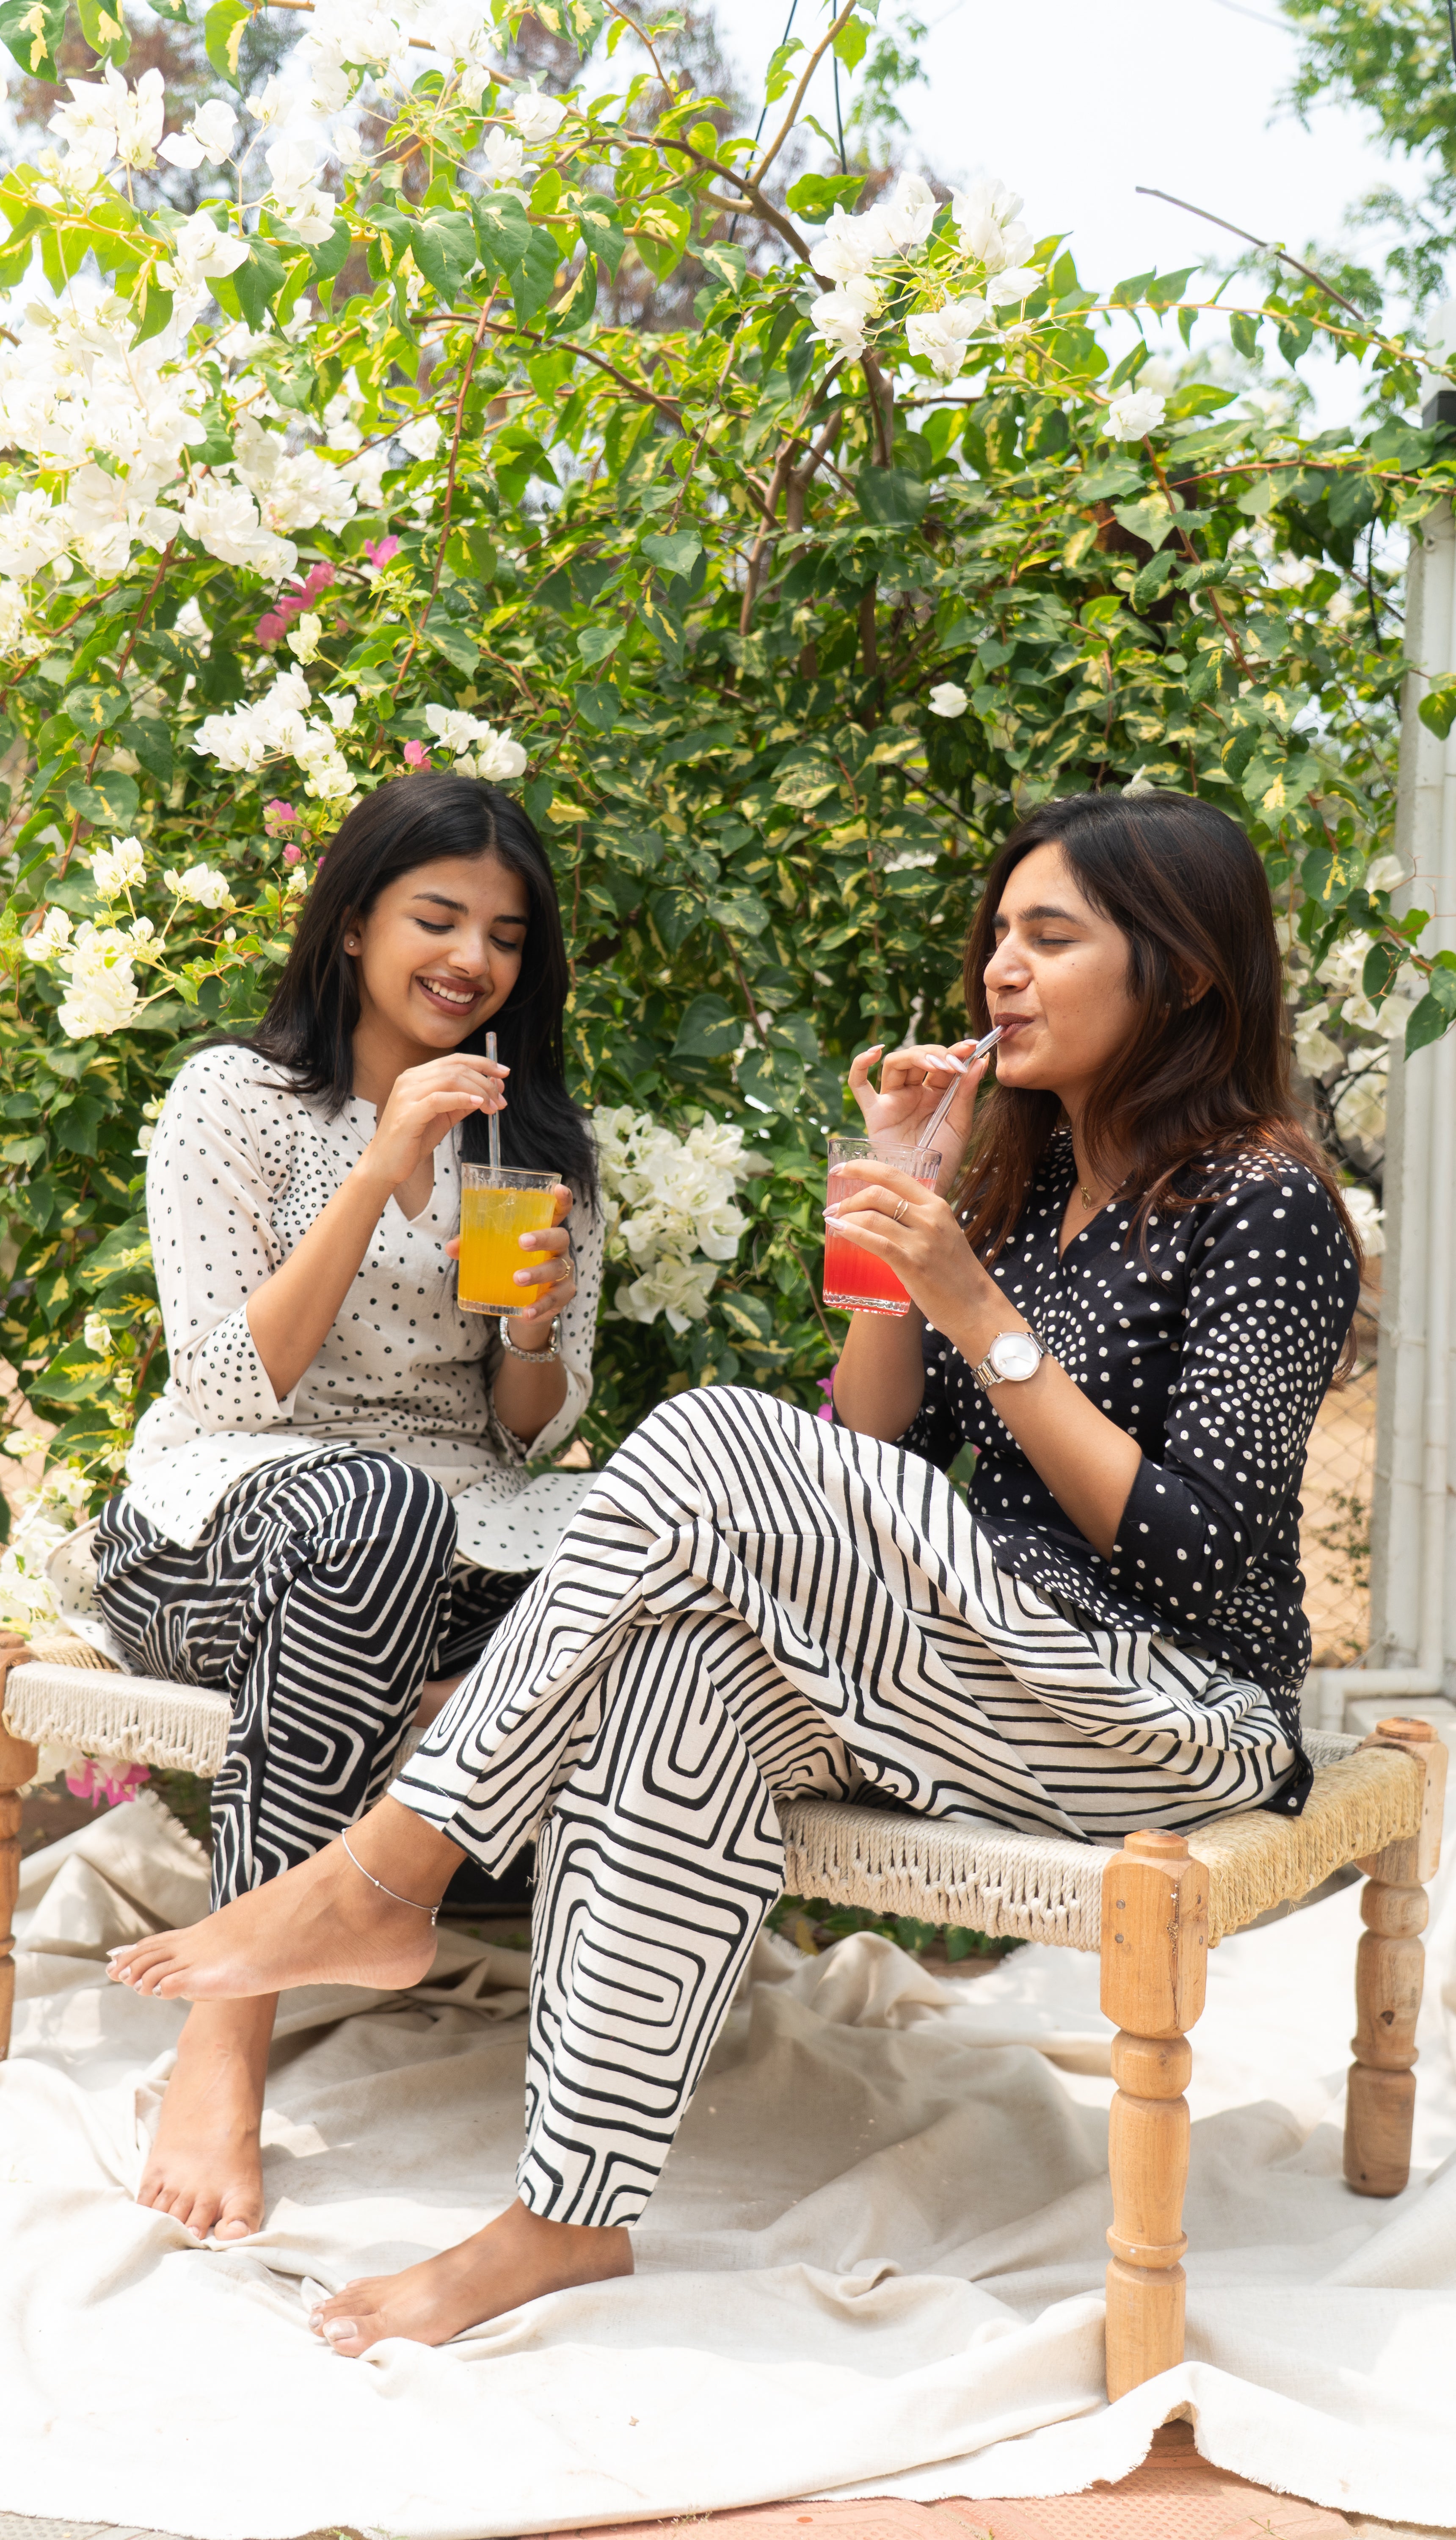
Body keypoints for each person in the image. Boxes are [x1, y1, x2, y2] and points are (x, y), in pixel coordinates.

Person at [108, 787, 1360, 2350]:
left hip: (1166, 1711)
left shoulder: (1266, 1203)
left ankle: (386, 1871)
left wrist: (973, 1302)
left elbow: (1205, 1545)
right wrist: (911, 1227)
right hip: (985, 1665)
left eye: (1051, 939)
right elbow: (892, 1449)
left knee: (708, 1440)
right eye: (998, 940)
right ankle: (561, 2221)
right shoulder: (1028, 1181)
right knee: (678, 1678)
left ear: (1180, 973)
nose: (1001, 975)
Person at [94, 770, 604, 2244]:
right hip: (224, 1516)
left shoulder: (541, 1146)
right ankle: (226, 2042)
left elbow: (531, 1431)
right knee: (366, 1509)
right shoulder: (232, 1100)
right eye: (438, 916)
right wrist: (381, 1169)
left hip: (459, 1525)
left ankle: (437, 1699)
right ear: (358, 922)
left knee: (651, 1538)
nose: (471, 960)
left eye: (506, 936)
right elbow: (234, 1381)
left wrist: (527, 1328)